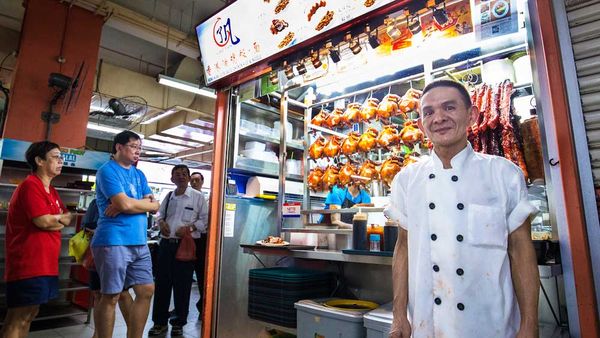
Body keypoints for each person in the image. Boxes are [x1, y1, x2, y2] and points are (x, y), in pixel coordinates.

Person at [386, 80, 539, 338]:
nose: (439, 118)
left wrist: (529, 324)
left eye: (449, 107)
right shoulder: (406, 179)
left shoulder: (503, 174)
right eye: (429, 112)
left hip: (491, 324)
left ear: (472, 115)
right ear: (421, 125)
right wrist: (399, 315)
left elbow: (521, 250)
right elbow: (403, 248)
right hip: (428, 325)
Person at [91, 130, 160, 338]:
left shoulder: (139, 174)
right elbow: (125, 203)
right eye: (133, 146)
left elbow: (155, 205)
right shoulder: (107, 171)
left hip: (139, 242)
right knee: (112, 295)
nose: (137, 151)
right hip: (113, 241)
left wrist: (129, 204)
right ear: (119, 147)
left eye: (140, 148)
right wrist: (130, 204)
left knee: (146, 290)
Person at [1, 141, 72, 338]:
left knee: (30, 314)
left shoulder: (52, 191)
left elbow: (65, 218)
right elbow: (43, 221)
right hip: (28, 265)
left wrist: (55, 220)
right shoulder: (30, 186)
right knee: (18, 317)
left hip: (46, 264)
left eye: (61, 157)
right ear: (39, 160)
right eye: (56, 157)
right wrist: (56, 220)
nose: (61, 161)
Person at [149, 165, 208, 336]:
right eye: (177, 174)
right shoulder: (168, 195)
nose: (181, 177)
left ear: (189, 178)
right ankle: (159, 322)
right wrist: (161, 223)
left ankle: (178, 323)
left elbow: (205, 221)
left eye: (184, 174)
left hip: (186, 247)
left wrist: (189, 229)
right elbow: (159, 214)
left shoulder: (197, 197)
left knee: (182, 287)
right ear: (172, 179)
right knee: (162, 286)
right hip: (166, 246)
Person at [81, 199, 133, 338]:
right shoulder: (95, 202)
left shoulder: (127, 201)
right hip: (97, 251)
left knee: (121, 293)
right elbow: (85, 225)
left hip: (119, 252)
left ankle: (134, 332)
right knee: (98, 293)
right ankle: (98, 332)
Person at [190, 171, 208, 319]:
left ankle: (203, 306)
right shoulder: (184, 197)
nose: (194, 182)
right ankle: (179, 308)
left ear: (202, 182)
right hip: (185, 240)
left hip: (202, 240)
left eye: (197, 180)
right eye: (192, 180)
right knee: (183, 275)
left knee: (202, 275)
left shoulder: (206, 199)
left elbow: (206, 221)